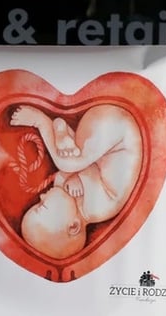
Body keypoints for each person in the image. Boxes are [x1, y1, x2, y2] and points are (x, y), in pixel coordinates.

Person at [11, 103, 143, 258]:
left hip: (103, 135)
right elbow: (92, 169)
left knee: (70, 163)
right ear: (73, 226)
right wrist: (78, 178)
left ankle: (62, 134)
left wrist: (69, 178)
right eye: (41, 205)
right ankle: (42, 122)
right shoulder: (98, 210)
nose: (41, 196)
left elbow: (81, 168)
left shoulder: (74, 200)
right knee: (67, 163)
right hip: (119, 132)